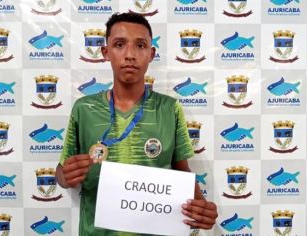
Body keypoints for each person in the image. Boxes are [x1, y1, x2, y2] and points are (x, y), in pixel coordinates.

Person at [56, 12, 218, 236]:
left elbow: (183, 173)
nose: (130, 55)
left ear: (151, 54)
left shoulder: (169, 109)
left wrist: (202, 208)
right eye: (119, 44)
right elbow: (62, 171)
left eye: (140, 45)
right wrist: (65, 176)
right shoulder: (84, 109)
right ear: (105, 52)